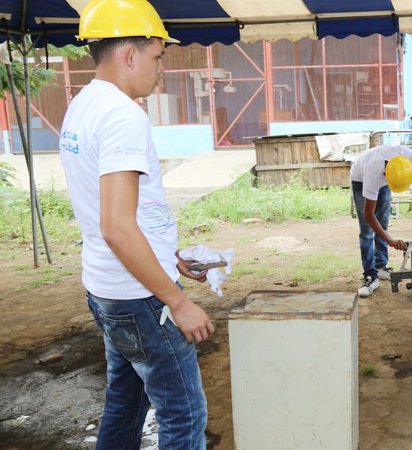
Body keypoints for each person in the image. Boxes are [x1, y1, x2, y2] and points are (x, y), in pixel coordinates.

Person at [58, 0, 212, 448]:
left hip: (108, 289)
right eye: (158, 56)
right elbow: (117, 227)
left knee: (126, 407)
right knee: (183, 414)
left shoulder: (84, 104)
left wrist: (170, 257)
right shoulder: (124, 115)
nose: (161, 68)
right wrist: (177, 301)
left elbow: (120, 212)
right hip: (142, 298)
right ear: (130, 55)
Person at [350, 145, 412, 297]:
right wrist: (390, 240)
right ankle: (370, 275)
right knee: (367, 231)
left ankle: (381, 266)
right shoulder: (373, 173)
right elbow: (369, 215)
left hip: (384, 181)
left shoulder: (403, 154)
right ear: (385, 173)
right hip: (360, 180)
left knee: (383, 223)